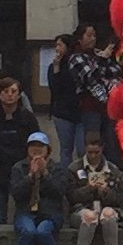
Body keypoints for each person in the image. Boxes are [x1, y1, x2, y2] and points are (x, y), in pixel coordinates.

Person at [0, 75, 40, 224]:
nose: (10, 95)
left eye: (13, 91)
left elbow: (37, 142)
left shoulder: (27, 118)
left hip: (21, 170)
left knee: (24, 213)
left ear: (19, 95)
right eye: (6, 91)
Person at [9, 130, 70, 245]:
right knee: (28, 231)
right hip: (26, 213)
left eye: (40, 146)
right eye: (33, 146)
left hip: (50, 213)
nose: (36, 150)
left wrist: (45, 174)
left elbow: (59, 192)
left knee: (43, 231)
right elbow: (16, 193)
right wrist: (30, 176)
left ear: (47, 149)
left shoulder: (58, 168)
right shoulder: (18, 168)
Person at [73, 133, 123, 245]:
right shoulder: (74, 168)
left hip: (108, 208)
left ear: (102, 149)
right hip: (82, 209)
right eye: (90, 152)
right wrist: (89, 189)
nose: (93, 156)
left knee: (109, 215)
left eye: (96, 152)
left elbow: (121, 199)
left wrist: (106, 192)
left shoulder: (112, 170)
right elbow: (71, 196)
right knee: (89, 216)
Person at [68, 24, 120, 162]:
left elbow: (115, 71)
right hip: (90, 107)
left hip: (108, 106)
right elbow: (90, 77)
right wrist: (102, 62)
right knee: (93, 141)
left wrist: (103, 62)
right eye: (89, 35)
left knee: (110, 143)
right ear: (80, 39)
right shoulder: (76, 58)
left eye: (94, 36)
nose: (93, 39)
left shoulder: (97, 54)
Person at [48, 33, 83, 162]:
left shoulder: (77, 63)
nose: (57, 48)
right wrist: (56, 68)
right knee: (66, 148)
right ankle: (65, 178)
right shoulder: (54, 66)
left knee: (82, 148)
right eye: (56, 45)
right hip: (62, 112)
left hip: (79, 111)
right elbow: (55, 89)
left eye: (60, 45)